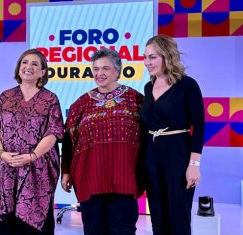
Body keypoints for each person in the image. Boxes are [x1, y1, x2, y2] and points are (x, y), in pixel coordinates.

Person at [61, 48, 145, 235]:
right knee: (93, 230)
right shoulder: (80, 104)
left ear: (117, 71)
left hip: (125, 179)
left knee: (123, 230)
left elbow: (147, 138)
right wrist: (65, 171)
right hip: (90, 180)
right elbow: (68, 139)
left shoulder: (136, 99)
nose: (100, 73)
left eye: (105, 68)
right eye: (96, 69)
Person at [0, 49, 64, 235]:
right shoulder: (5, 96)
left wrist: (32, 156)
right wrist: (2, 153)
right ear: (19, 68)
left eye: (35, 64)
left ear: (43, 72)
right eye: (24, 63)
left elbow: (54, 132)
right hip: (6, 167)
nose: (28, 67)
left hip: (37, 169)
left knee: (32, 218)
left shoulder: (50, 99)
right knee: (4, 218)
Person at [141, 35, 204, 235]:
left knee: (178, 217)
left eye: (152, 57)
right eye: (145, 57)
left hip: (178, 153)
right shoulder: (148, 87)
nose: (147, 62)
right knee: (158, 217)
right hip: (152, 156)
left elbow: (200, 126)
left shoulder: (187, 85)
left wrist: (194, 165)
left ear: (167, 56)